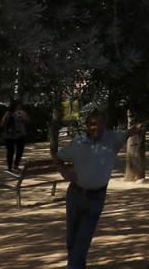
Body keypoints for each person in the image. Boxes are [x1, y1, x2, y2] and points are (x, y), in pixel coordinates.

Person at [55, 111, 143, 269]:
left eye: (101, 124)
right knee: (72, 239)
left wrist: (142, 122)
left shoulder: (112, 139)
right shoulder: (78, 142)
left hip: (96, 197)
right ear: (87, 126)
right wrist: (64, 172)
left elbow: (131, 131)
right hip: (76, 194)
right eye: (93, 124)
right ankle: (76, 265)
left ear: (105, 125)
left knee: (83, 239)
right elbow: (59, 157)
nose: (97, 127)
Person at [0, 100, 29, 173]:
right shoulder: (7, 113)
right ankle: (9, 167)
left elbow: (27, 120)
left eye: (20, 106)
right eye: (17, 106)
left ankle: (16, 166)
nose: (19, 107)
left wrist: (22, 117)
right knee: (10, 152)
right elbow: (2, 123)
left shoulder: (22, 113)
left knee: (20, 151)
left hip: (20, 135)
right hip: (9, 135)